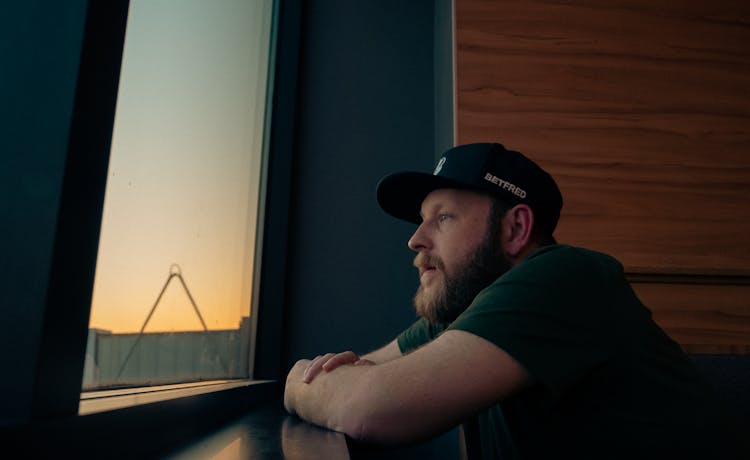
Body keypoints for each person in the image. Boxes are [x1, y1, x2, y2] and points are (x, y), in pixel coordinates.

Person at [283, 142, 745, 459]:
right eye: (420, 221)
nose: (415, 240)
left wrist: (321, 386)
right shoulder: (466, 307)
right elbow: (348, 375)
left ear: (515, 230)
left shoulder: (563, 278)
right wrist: (332, 385)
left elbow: (371, 407)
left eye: (442, 218)